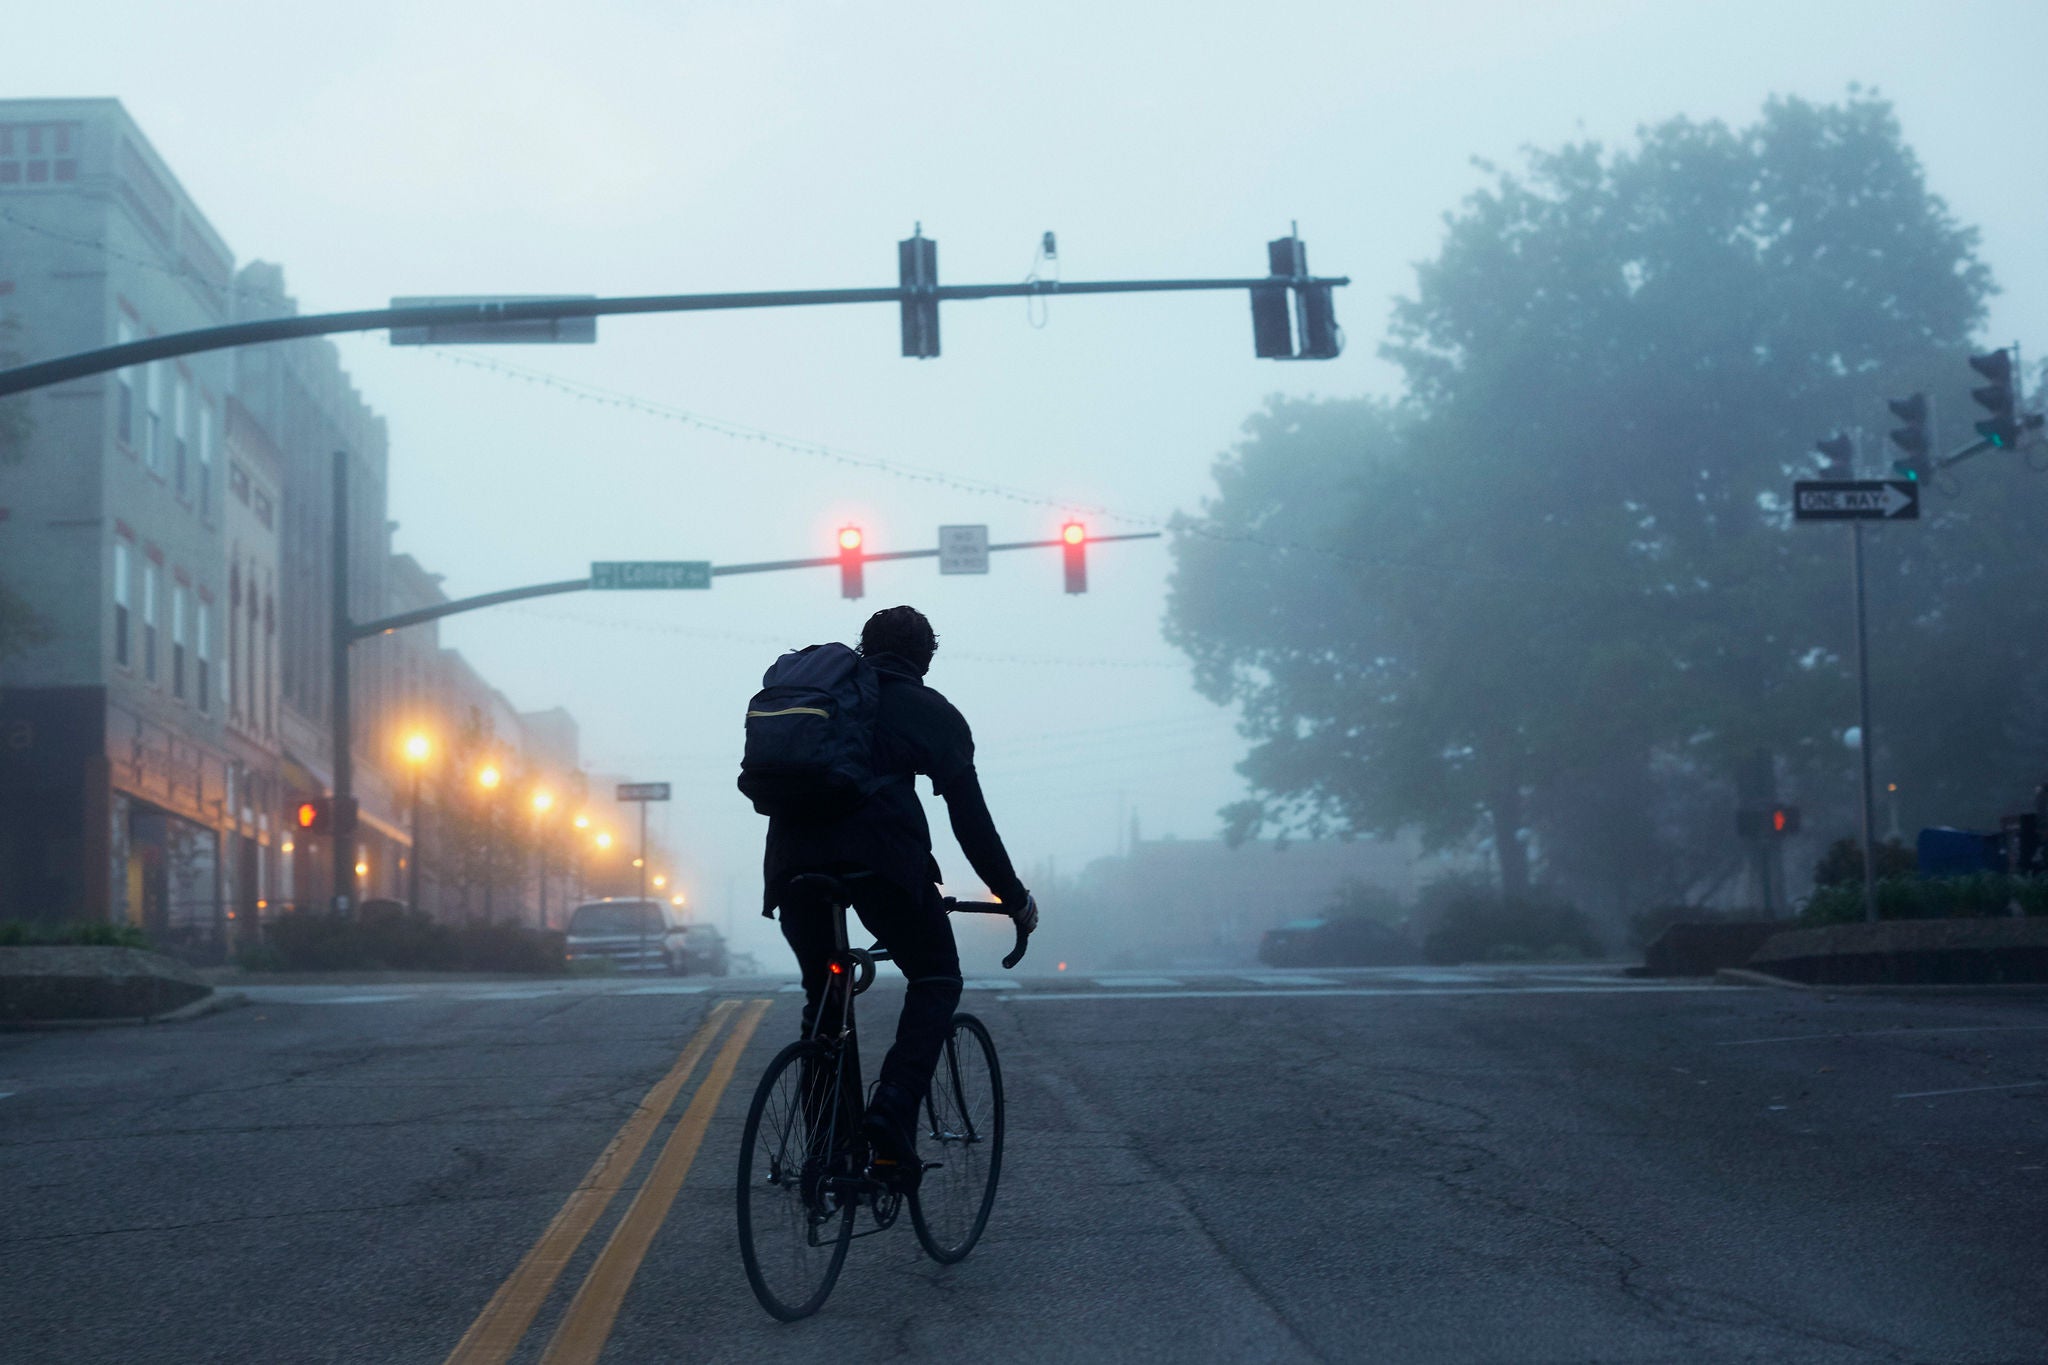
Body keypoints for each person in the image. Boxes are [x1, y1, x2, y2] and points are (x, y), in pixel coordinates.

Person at [763, 605, 1036, 1185]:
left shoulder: (830, 699)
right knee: (936, 976)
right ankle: (889, 1118)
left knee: (826, 1000)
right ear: (927, 658)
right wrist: (1014, 897)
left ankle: (827, 1156)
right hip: (881, 865)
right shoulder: (930, 711)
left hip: (793, 869)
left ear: (866, 647)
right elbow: (973, 824)